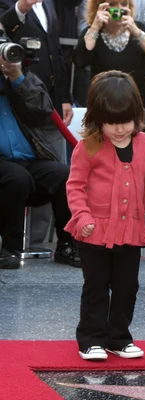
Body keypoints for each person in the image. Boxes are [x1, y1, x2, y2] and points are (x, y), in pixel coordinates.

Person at [65, 70, 145, 361]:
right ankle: (91, 339)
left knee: (126, 288)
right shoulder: (89, 145)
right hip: (93, 232)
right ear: (98, 118)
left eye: (125, 121)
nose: (119, 129)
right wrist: (82, 217)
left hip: (130, 233)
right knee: (96, 287)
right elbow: (75, 186)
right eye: (111, 122)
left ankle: (118, 338)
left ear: (138, 115)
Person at [0, 54, 80, 269]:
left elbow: (44, 110)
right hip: (5, 166)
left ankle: (67, 245)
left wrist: (16, 78)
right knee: (17, 179)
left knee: (64, 175)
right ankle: (10, 249)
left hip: (28, 160)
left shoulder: (24, 78)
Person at [73, 0, 145, 140]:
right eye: (112, 5)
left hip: (136, 112)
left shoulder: (139, 29)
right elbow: (80, 59)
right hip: (104, 111)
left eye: (123, 4)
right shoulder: (92, 32)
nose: (118, 10)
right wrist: (96, 26)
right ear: (100, 7)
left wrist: (135, 30)